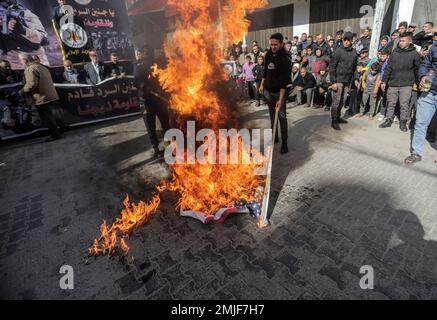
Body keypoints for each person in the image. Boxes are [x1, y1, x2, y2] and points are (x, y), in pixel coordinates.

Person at [405, 33, 437, 165]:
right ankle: (416, 153)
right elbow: (425, 63)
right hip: (429, 91)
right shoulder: (435, 47)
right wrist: (423, 75)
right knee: (420, 123)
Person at [379, 33, 421, 132]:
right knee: (391, 103)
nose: (400, 43)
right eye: (400, 41)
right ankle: (388, 119)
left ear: (409, 41)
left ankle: (403, 122)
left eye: (403, 41)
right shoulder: (394, 53)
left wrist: (418, 82)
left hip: (406, 84)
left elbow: (417, 69)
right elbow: (388, 68)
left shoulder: (414, 54)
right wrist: (384, 81)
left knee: (404, 104)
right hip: (393, 83)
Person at [259, 33, 291, 154]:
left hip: (279, 93)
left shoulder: (285, 60)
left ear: (281, 44)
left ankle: (284, 142)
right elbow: (265, 72)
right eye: (271, 44)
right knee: (273, 116)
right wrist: (262, 84)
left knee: (282, 117)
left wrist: (280, 100)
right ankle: (274, 137)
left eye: (275, 45)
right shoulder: (268, 55)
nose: (273, 47)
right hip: (268, 92)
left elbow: (284, 84)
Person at [18, 53, 62, 142]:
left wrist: (21, 91)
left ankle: (55, 135)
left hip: (41, 98)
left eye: (21, 60)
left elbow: (31, 84)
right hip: (49, 96)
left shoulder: (30, 68)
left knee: (47, 117)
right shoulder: (41, 66)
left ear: (25, 60)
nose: (21, 62)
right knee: (52, 115)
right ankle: (60, 130)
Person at [137, 48, 171, 158]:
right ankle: (155, 148)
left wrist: (162, 91)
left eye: (149, 53)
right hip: (146, 102)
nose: (148, 55)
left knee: (165, 124)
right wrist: (146, 88)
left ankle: (169, 145)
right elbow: (136, 81)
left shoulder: (158, 63)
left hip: (159, 101)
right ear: (142, 54)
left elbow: (164, 79)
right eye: (146, 53)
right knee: (150, 127)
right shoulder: (138, 65)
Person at [0, 0, 50, 68]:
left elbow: (45, 40)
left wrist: (23, 30)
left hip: (33, 55)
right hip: (10, 61)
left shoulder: (24, 14)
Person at [329, 31, 358, 130]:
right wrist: (333, 82)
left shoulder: (354, 52)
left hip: (347, 80)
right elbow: (332, 67)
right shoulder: (338, 51)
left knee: (343, 101)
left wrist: (356, 78)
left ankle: (338, 117)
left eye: (348, 40)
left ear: (351, 41)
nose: (346, 42)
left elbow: (355, 67)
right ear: (342, 40)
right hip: (338, 80)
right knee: (336, 101)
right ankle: (334, 120)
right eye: (344, 39)